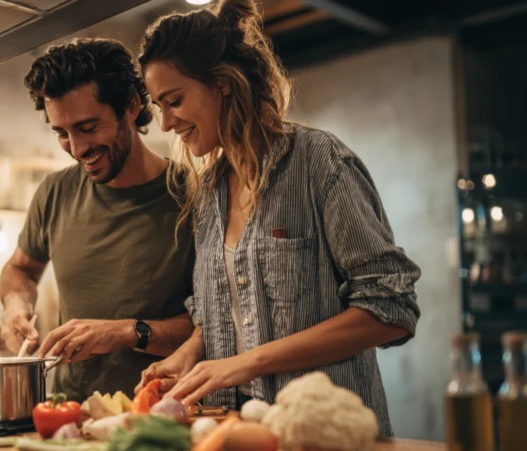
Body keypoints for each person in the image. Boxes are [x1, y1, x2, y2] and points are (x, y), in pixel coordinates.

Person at [134, 0, 421, 436]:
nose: (167, 123)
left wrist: (244, 363)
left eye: (174, 101)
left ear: (223, 82)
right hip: (235, 433)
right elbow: (220, 318)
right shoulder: (208, 193)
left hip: (323, 439)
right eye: (160, 107)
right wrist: (191, 352)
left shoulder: (320, 163)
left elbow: (392, 307)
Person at [0, 38, 195, 402]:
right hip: (70, 414)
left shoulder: (194, 197)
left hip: (163, 417)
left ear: (131, 107)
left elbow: (217, 327)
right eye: (61, 133)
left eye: (88, 127)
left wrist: (126, 332)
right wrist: (15, 306)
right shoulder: (55, 192)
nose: (75, 148)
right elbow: (20, 270)